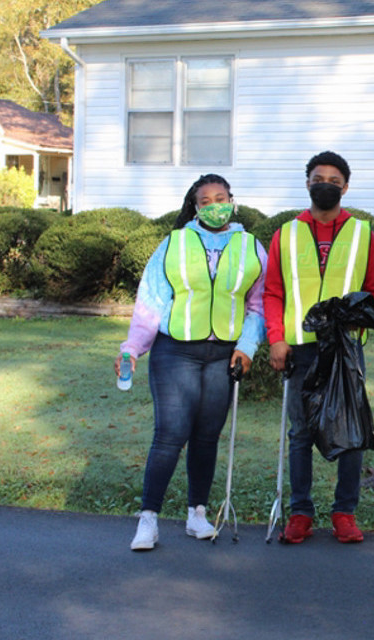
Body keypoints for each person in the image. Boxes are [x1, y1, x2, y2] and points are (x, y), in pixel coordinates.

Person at [116, 174, 267, 551]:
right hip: (176, 350)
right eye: (205, 200)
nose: (214, 205)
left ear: (233, 201)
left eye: (221, 197)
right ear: (195, 207)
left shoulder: (251, 246)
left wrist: (247, 347)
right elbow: (151, 300)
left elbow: (258, 304)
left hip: (222, 354)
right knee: (170, 433)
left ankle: (196, 513)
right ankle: (148, 519)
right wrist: (133, 348)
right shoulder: (174, 243)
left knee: (206, 436)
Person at [263, 151, 374, 544]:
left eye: (334, 179)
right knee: (301, 432)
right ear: (307, 183)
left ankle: (344, 512)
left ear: (345, 186)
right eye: (319, 177)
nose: (326, 184)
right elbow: (273, 292)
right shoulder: (287, 233)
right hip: (299, 349)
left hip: (346, 349)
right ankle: (300, 512)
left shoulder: (364, 234)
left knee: (350, 432)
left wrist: (354, 320)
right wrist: (276, 339)